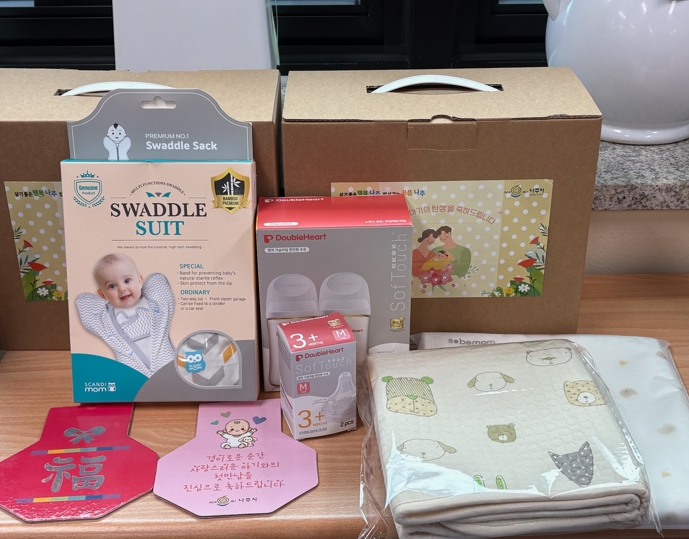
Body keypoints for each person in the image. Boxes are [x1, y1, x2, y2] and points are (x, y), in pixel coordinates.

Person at [75, 253, 175, 377]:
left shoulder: (153, 305)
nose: (122, 289)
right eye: (112, 286)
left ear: (139, 281)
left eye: (127, 281)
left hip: (164, 360)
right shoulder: (106, 318)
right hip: (133, 370)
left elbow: (159, 286)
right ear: (102, 294)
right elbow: (84, 305)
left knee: (174, 378)